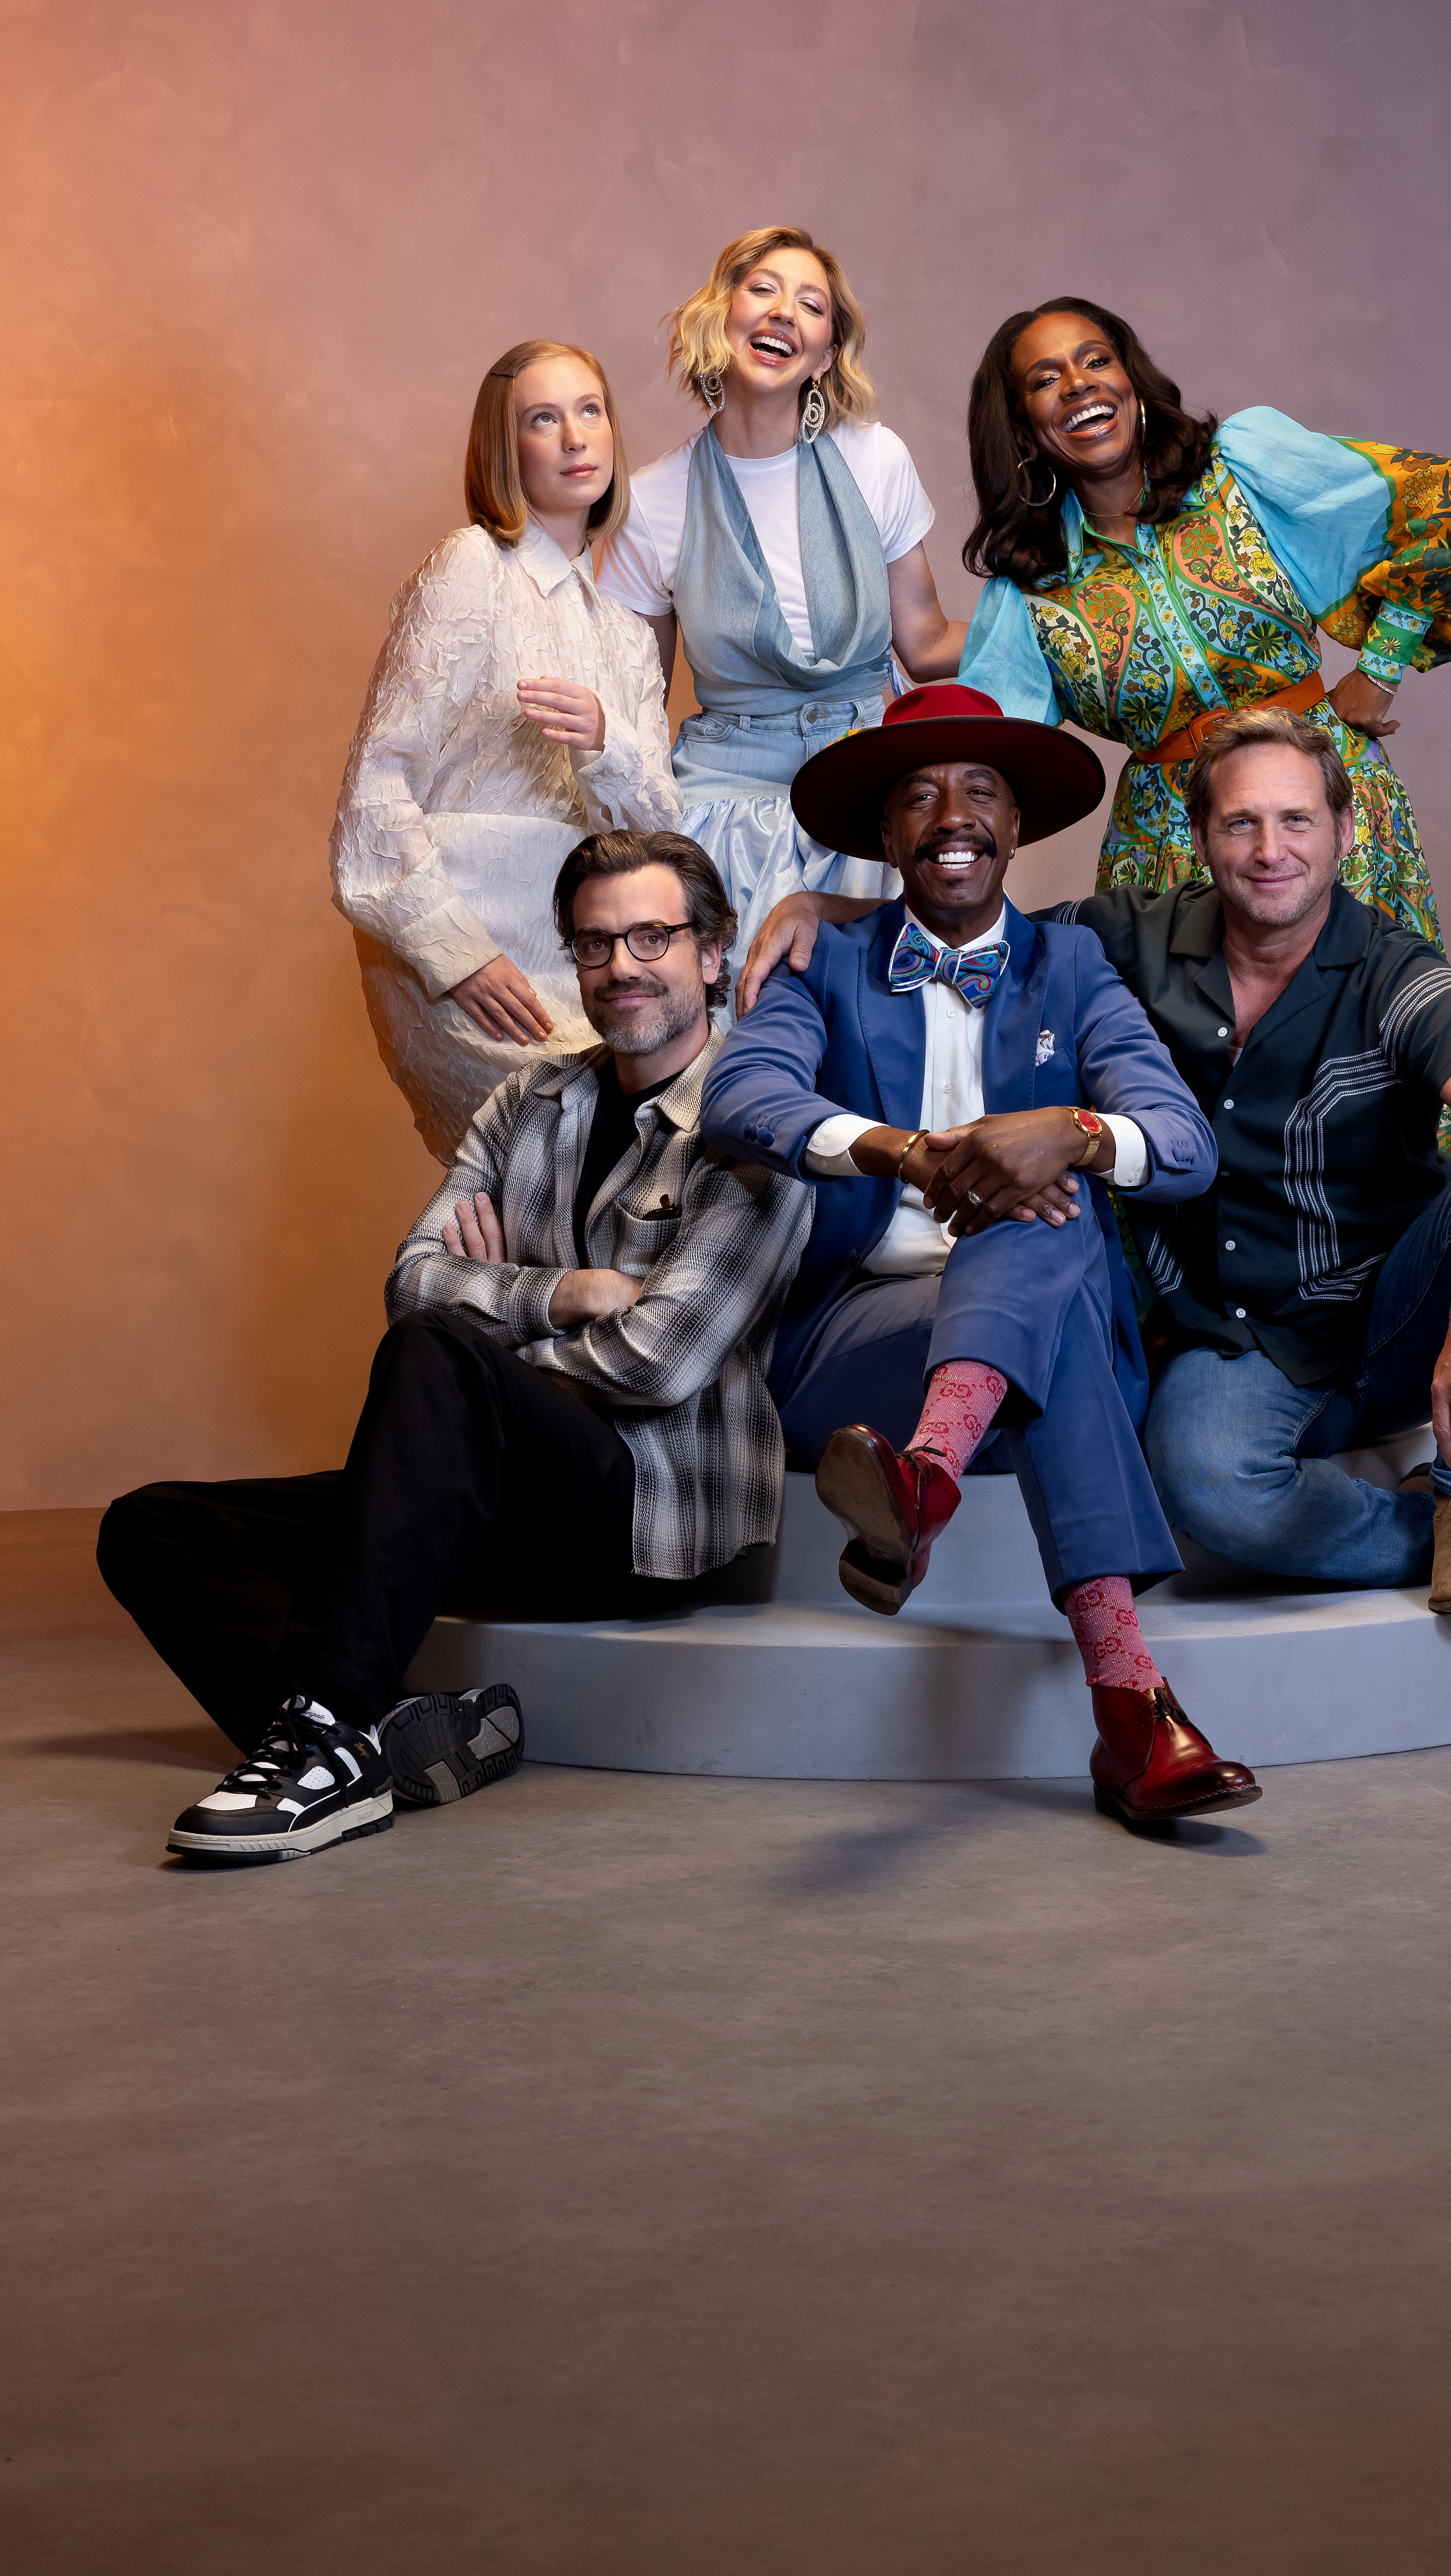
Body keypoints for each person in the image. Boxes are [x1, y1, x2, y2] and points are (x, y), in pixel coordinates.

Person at [738, 708, 1451, 1617]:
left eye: (1297, 821)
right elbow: (966, 909)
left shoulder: (1391, 972)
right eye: (1241, 823)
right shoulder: (1125, 938)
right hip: (1243, 1343)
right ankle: (1447, 1533)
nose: (1270, 850)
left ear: (1345, 831)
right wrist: (825, 910)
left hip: (1403, 1317)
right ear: (1202, 837)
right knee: (1201, 1490)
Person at [98, 830, 813, 1866]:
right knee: (154, 1529)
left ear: (712, 954)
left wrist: (489, 1359)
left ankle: (324, 1738)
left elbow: (658, 1361)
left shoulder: (756, 1125)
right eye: (595, 943)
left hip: (645, 1510)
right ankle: (376, 1739)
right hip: (504, 1488)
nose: (622, 966)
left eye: (652, 936)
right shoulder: (527, 1104)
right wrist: (564, 1292)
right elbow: (411, 1278)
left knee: (444, 1357)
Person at [702, 681, 1261, 1831]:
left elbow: (1186, 1144)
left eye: (979, 793)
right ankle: (1134, 1714)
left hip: (1009, 1335)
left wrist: (1073, 1129)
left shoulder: (1073, 969)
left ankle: (926, 1483)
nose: (950, 814)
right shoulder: (829, 962)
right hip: (860, 1342)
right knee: (1042, 1229)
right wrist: (903, 1153)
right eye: (918, 796)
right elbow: (740, 1098)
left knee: (1038, 1214)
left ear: (1014, 828)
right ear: (886, 835)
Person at [955, 293, 1451, 950]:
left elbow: (1441, 504)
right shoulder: (1027, 591)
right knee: (1191, 1051)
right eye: (1046, 380)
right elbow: (979, 761)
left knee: (1368, 1033)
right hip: (1168, 860)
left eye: (1096, 360)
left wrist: (1380, 670)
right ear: (1020, 427)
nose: (1078, 385)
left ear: (1131, 381)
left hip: (1317, 812)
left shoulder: (1241, 469)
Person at [332, 339, 682, 1160]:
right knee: (560, 1164)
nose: (575, 438)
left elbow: (663, 832)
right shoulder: (471, 569)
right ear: (505, 447)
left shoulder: (627, 638)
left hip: (588, 957)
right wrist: (456, 955)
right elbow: (376, 785)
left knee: (652, 1167)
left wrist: (607, 744)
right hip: (470, 952)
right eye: (543, 419)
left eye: (590, 411)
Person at [595, 225, 964, 978]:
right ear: (719, 317)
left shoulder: (876, 458)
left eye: (811, 304)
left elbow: (923, 645)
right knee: (729, 1021)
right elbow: (635, 707)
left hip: (870, 780)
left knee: (873, 1021)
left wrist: (1055, 624)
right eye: (763, 289)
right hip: (723, 792)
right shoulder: (650, 503)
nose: (784, 312)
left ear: (827, 354)